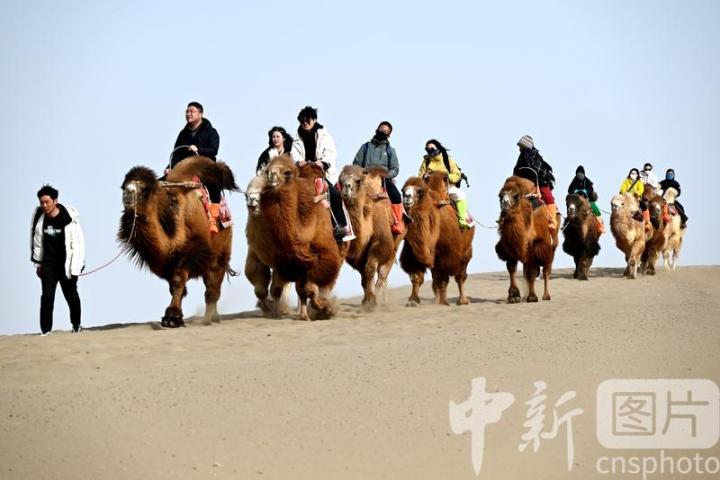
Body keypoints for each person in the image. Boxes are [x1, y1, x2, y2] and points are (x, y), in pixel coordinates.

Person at [291, 106, 354, 242]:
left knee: (334, 195)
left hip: (322, 172)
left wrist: (323, 162)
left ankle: (339, 225)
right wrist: (298, 161)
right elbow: (294, 153)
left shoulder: (324, 136)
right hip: (304, 173)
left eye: (307, 120)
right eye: (302, 120)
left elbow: (330, 152)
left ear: (314, 120)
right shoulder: (297, 138)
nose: (305, 123)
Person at [31, 185, 85, 335]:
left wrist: (77, 265)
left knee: (71, 296)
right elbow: (37, 241)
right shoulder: (39, 217)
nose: (44, 205)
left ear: (55, 201)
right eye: (41, 202)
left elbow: (79, 244)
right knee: (47, 297)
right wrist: (38, 263)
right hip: (48, 265)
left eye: (47, 202)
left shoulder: (68, 218)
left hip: (67, 265)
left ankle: (76, 325)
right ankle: (46, 331)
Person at [167, 101, 222, 233]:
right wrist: (170, 167)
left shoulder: (211, 132)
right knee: (160, 183)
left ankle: (213, 217)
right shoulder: (183, 134)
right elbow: (176, 153)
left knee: (214, 182)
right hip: (185, 168)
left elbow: (213, 150)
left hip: (204, 165)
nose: (188, 114)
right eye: (187, 112)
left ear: (200, 114)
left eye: (192, 111)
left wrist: (199, 149)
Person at [352, 121, 409, 234]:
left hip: (383, 179)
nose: (383, 132)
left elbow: (395, 168)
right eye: (381, 129)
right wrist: (361, 172)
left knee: (396, 196)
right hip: (365, 177)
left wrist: (387, 175)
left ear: (389, 135)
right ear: (376, 130)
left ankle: (398, 222)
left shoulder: (390, 150)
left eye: (386, 131)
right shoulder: (365, 147)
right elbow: (356, 163)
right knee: (344, 189)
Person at [418, 139, 473, 229]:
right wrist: (424, 176)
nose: (430, 151)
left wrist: (447, 176)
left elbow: (457, 175)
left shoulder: (448, 160)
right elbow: (420, 177)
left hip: (447, 188)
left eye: (432, 149)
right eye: (427, 150)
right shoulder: (426, 162)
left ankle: (462, 219)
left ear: (438, 148)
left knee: (461, 195)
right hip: (430, 189)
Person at [513, 135, 558, 232]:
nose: (519, 148)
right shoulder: (520, 158)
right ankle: (506, 218)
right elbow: (516, 171)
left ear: (526, 146)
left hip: (539, 182)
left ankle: (552, 221)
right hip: (524, 183)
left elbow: (539, 171)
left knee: (549, 197)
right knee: (510, 195)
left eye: (521, 146)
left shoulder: (536, 157)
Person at [567, 165, 604, 233]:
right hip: (577, 200)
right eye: (578, 173)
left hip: (587, 199)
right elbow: (569, 190)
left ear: (584, 174)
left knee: (595, 209)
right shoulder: (574, 181)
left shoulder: (587, 181)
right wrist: (575, 191)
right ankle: (567, 223)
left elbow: (591, 189)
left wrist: (586, 191)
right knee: (570, 207)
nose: (580, 174)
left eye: (581, 173)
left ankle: (600, 225)